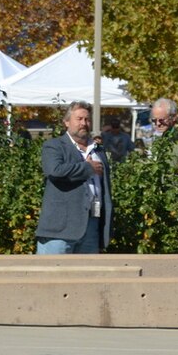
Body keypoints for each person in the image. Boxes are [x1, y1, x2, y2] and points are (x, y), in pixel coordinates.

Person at [36, 103, 110, 254]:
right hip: (60, 230)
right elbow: (55, 171)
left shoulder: (98, 150)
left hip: (91, 225)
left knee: (86, 276)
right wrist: (87, 168)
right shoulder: (54, 146)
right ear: (67, 122)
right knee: (51, 276)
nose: (84, 123)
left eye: (87, 119)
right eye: (79, 119)